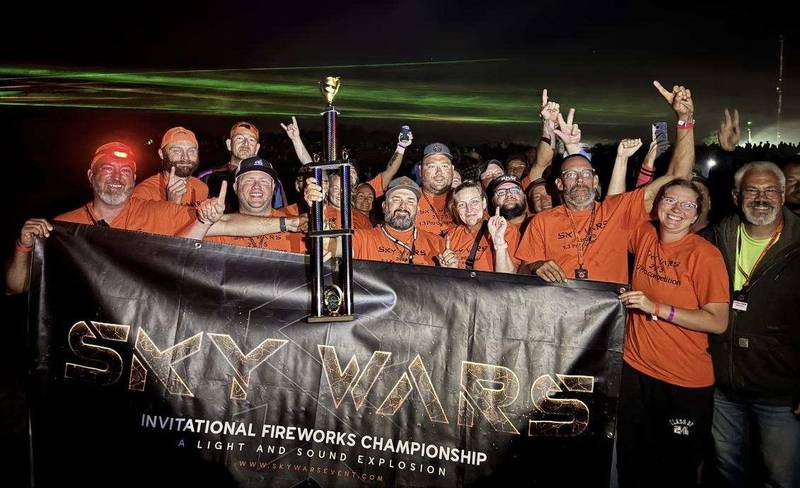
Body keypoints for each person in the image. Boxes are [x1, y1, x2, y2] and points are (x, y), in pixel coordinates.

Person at [516, 81, 696, 284]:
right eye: (570, 175)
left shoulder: (616, 211)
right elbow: (522, 269)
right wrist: (535, 266)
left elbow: (679, 179)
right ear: (559, 184)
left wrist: (685, 120)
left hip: (607, 314)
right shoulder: (542, 222)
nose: (579, 180)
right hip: (560, 312)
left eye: (585, 174)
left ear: (595, 181)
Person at [616, 179, 730, 487]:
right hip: (636, 371)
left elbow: (718, 321)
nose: (676, 210)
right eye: (669, 200)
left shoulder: (705, 255)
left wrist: (657, 307)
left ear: (696, 216)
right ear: (657, 204)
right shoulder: (644, 235)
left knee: (676, 470)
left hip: (683, 381)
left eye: (688, 205)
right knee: (632, 461)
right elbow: (616, 207)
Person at [6, 142, 226, 294]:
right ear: (91, 176)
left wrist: (212, 216)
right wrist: (23, 246)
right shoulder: (64, 227)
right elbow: (19, 286)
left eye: (125, 171)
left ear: (133, 179)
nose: (117, 177)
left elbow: (226, 225)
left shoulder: (157, 212)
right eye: (108, 168)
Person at [704, 161, 800, 488]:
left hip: (781, 390)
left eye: (770, 190)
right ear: (735, 196)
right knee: (727, 469)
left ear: (784, 195)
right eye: (752, 190)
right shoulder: (716, 239)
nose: (761, 198)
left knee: (781, 476)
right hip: (723, 385)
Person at [304, 176, 444, 266]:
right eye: (396, 199)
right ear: (384, 206)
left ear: (418, 209)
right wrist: (317, 208)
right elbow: (327, 245)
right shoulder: (363, 239)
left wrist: (452, 270)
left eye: (410, 201)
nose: (403, 206)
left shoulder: (437, 243)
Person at [204, 157, 307, 253]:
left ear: (273, 188)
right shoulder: (216, 229)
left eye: (264, 181)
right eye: (249, 180)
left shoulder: (299, 223)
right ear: (235, 187)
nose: (256, 186)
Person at [439, 180, 518, 273]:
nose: (469, 209)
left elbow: (508, 278)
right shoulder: (451, 236)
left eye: (474, 202)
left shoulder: (505, 229)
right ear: (456, 209)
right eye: (462, 204)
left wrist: (499, 241)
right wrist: (451, 270)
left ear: (484, 203)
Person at [132, 126, 208, 206]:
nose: (185, 157)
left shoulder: (201, 188)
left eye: (191, 151)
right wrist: (171, 205)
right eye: (176, 151)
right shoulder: (144, 193)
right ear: (161, 154)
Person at [416, 143, 456, 237]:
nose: (439, 172)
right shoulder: (408, 198)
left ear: (452, 169)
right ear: (420, 170)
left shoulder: (465, 198)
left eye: (444, 166)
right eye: (431, 166)